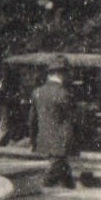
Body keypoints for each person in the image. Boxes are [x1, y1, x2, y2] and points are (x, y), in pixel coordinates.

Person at [29, 57, 77, 189]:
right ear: (61, 73)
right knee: (48, 180)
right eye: (67, 73)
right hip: (61, 143)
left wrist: (33, 140)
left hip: (44, 140)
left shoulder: (37, 92)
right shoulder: (64, 94)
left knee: (65, 175)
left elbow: (32, 120)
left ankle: (70, 187)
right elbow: (71, 121)